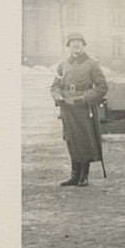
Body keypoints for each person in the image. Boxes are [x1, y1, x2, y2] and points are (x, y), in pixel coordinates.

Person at [50, 33, 108, 187]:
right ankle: (74, 175)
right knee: (71, 139)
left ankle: (84, 175)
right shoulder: (63, 64)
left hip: (83, 107)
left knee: (84, 139)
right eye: (72, 42)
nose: (76, 44)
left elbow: (102, 87)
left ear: (84, 44)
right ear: (68, 45)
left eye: (79, 42)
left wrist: (85, 98)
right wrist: (57, 96)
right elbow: (55, 85)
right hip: (67, 106)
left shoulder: (92, 63)